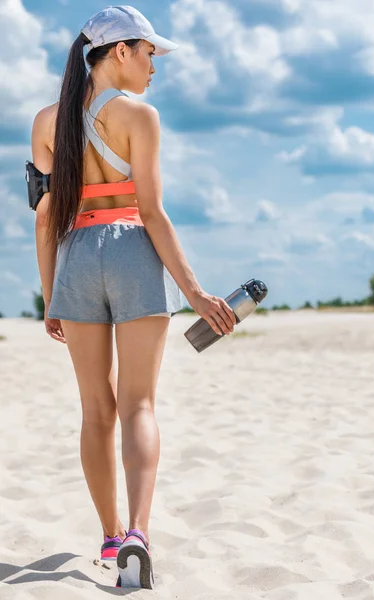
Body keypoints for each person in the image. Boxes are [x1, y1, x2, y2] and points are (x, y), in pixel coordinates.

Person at [31, 4, 236, 590]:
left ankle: (110, 535)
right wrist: (194, 291)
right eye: (149, 53)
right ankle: (140, 537)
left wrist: (52, 296)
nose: (154, 66)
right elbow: (151, 213)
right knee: (138, 406)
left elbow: (46, 217)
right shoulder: (140, 118)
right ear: (120, 50)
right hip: (132, 255)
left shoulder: (46, 122)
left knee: (96, 409)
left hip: (75, 256)